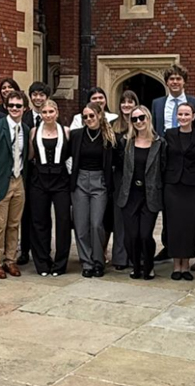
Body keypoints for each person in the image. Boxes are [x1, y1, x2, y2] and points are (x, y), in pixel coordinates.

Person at [0, 90, 29, 279]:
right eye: (11, 106)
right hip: (1, 182)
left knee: (14, 224)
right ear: (6, 107)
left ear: (24, 108)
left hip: (19, 181)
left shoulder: (25, 129)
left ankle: (11, 260)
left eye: (18, 106)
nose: (14, 109)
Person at [70, 101, 116, 277]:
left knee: (96, 224)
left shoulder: (109, 137)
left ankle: (98, 261)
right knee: (81, 225)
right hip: (80, 181)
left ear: (99, 115)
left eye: (92, 115)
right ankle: (86, 262)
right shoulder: (76, 135)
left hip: (99, 182)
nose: (89, 119)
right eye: (85, 117)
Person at [118, 106, 165, 280]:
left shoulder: (159, 143)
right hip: (130, 195)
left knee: (145, 235)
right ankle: (136, 266)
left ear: (148, 118)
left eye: (142, 118)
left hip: (149, 195)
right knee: (132, 236)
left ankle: (149, 266)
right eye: (134, 119)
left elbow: (164, 168)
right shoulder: (126, 142)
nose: (139, 122)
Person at [27, 100, 73, 276]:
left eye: (50, 111)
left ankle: (60, 264)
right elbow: (31, 156)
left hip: (61, 180)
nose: (47, 115)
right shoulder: (34, 131)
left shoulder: (66, 132)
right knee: (39, 222)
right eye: (44, 112)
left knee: (63, 221)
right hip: (39, 180)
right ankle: (42, 263)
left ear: (57, 112)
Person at [164, 102, 195, 280]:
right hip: (173, 185)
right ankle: (176, 265)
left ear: (193, 116)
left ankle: (186, 265)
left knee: (190, 226)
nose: (183, 118)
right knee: (174, 225)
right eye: (180, 114)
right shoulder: (169, 134)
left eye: (186, 114)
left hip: (192, 186)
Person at [17, 81, 52, 265]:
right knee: (26, 214)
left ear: (47, 97)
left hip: (47, 174)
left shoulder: (53, 118)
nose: (38, 98)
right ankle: (25, 250)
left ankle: (44, 249)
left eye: (41, 95)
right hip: (27, 173)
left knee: (43, 215)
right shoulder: (24, 118)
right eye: (34, 95)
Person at [107, 91, 138, 270]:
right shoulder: (113, 126)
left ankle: (135, 256)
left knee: (134, 217)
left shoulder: (141, 123)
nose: (127, 105)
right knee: (119, 217)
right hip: (118, 176)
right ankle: (120, 258)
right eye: (124, 102)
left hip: (136, 177)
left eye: (130, 102)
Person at [152, 64, 195, 134]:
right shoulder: (157, 103)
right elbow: (154, 127)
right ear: (167, 82)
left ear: (184, 81)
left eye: (178, 79)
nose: (175, 82)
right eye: (171, 79)